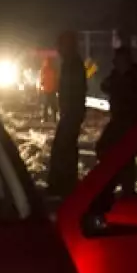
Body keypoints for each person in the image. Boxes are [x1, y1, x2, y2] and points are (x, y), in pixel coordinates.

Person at [95, 45, 137, 196]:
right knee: (107, 149)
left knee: (121, 153)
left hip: (129, 121)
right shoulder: (117, 74)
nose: (115, 63)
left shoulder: (135, 76)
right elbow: (104, 85)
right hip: (118, 119)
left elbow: (135, 99)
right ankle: (118, 183)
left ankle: (123, 188)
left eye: (117, 60)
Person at [47, 30, 87, 196]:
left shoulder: (73, 64)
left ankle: (62, 185)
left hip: (72, 113)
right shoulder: (70, 63)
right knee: (65, 148)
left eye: (61, 45)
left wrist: (69, 110)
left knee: (63, 149)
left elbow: (74, 90)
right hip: (70, 112)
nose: (58, 49)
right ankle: (63, 184)